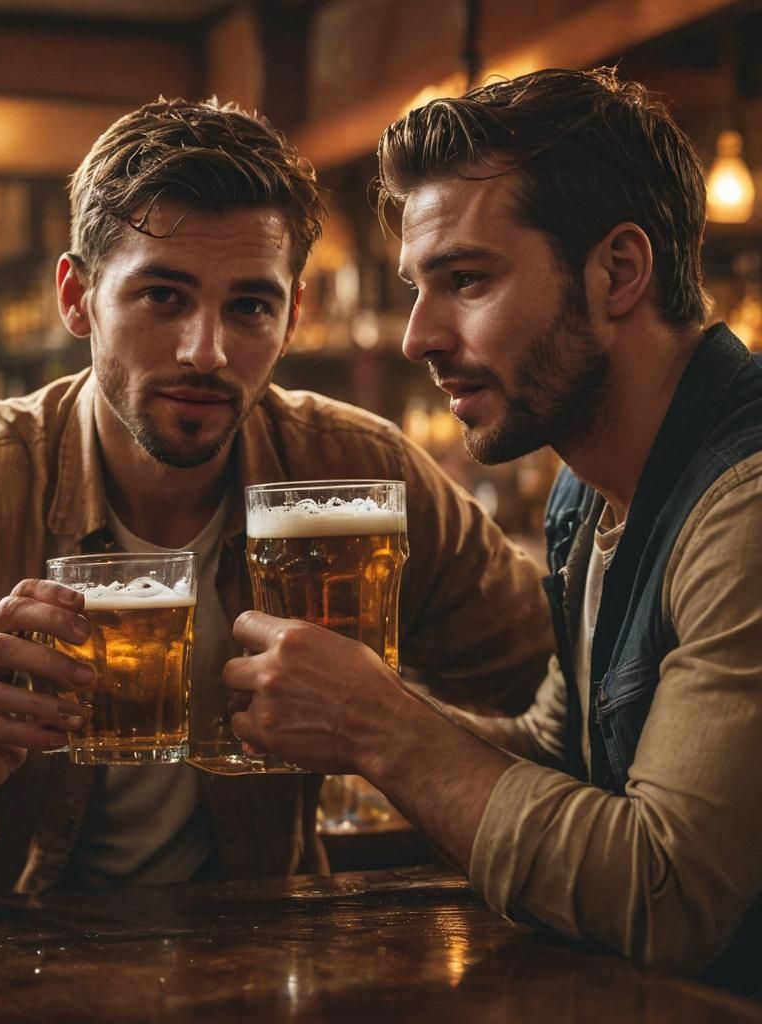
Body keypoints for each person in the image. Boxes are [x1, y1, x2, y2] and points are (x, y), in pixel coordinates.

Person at [0, 98, 552, 897]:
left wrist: (389, 725)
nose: (206, 352)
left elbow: (565, 689)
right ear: (77, 297)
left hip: (273, 973)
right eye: (162, 296)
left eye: (249, 306)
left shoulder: (358, 473)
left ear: (292, 315)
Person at [224, 67, 762, 985]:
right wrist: (355, 708)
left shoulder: (744, 506)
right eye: (415, 288)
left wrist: (381, 728)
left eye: (465, 280)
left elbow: (663, 895)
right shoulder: (587, 494)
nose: (417, 336)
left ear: (618, 272)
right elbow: (564, 756)